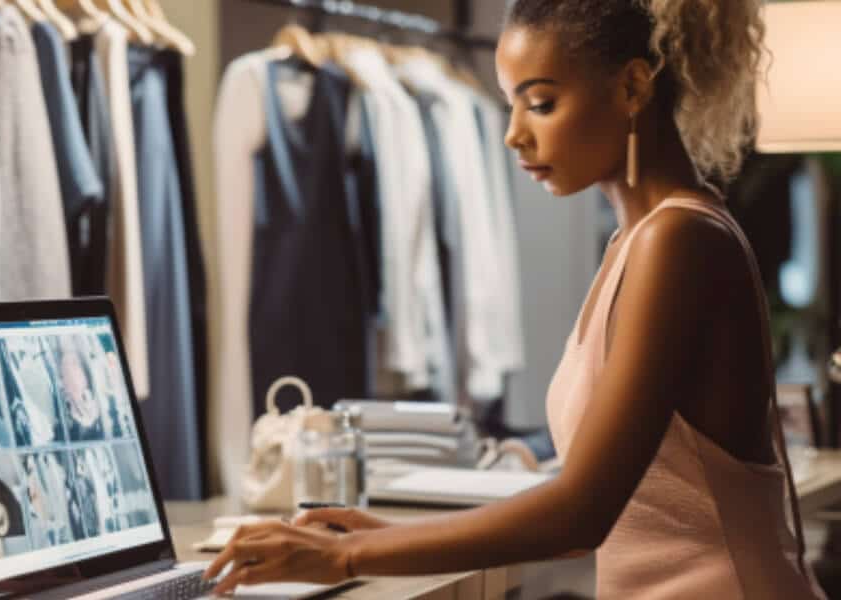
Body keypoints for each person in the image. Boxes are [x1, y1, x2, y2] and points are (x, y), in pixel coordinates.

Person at [205, 1, 828, 597]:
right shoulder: (637, 242)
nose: (512, 136)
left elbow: (580, 516)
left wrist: (345, 555)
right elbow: (596, 506)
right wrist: (391, 534)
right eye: (511, 105)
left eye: (542, 103)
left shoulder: (677, 239)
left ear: (633, 87)